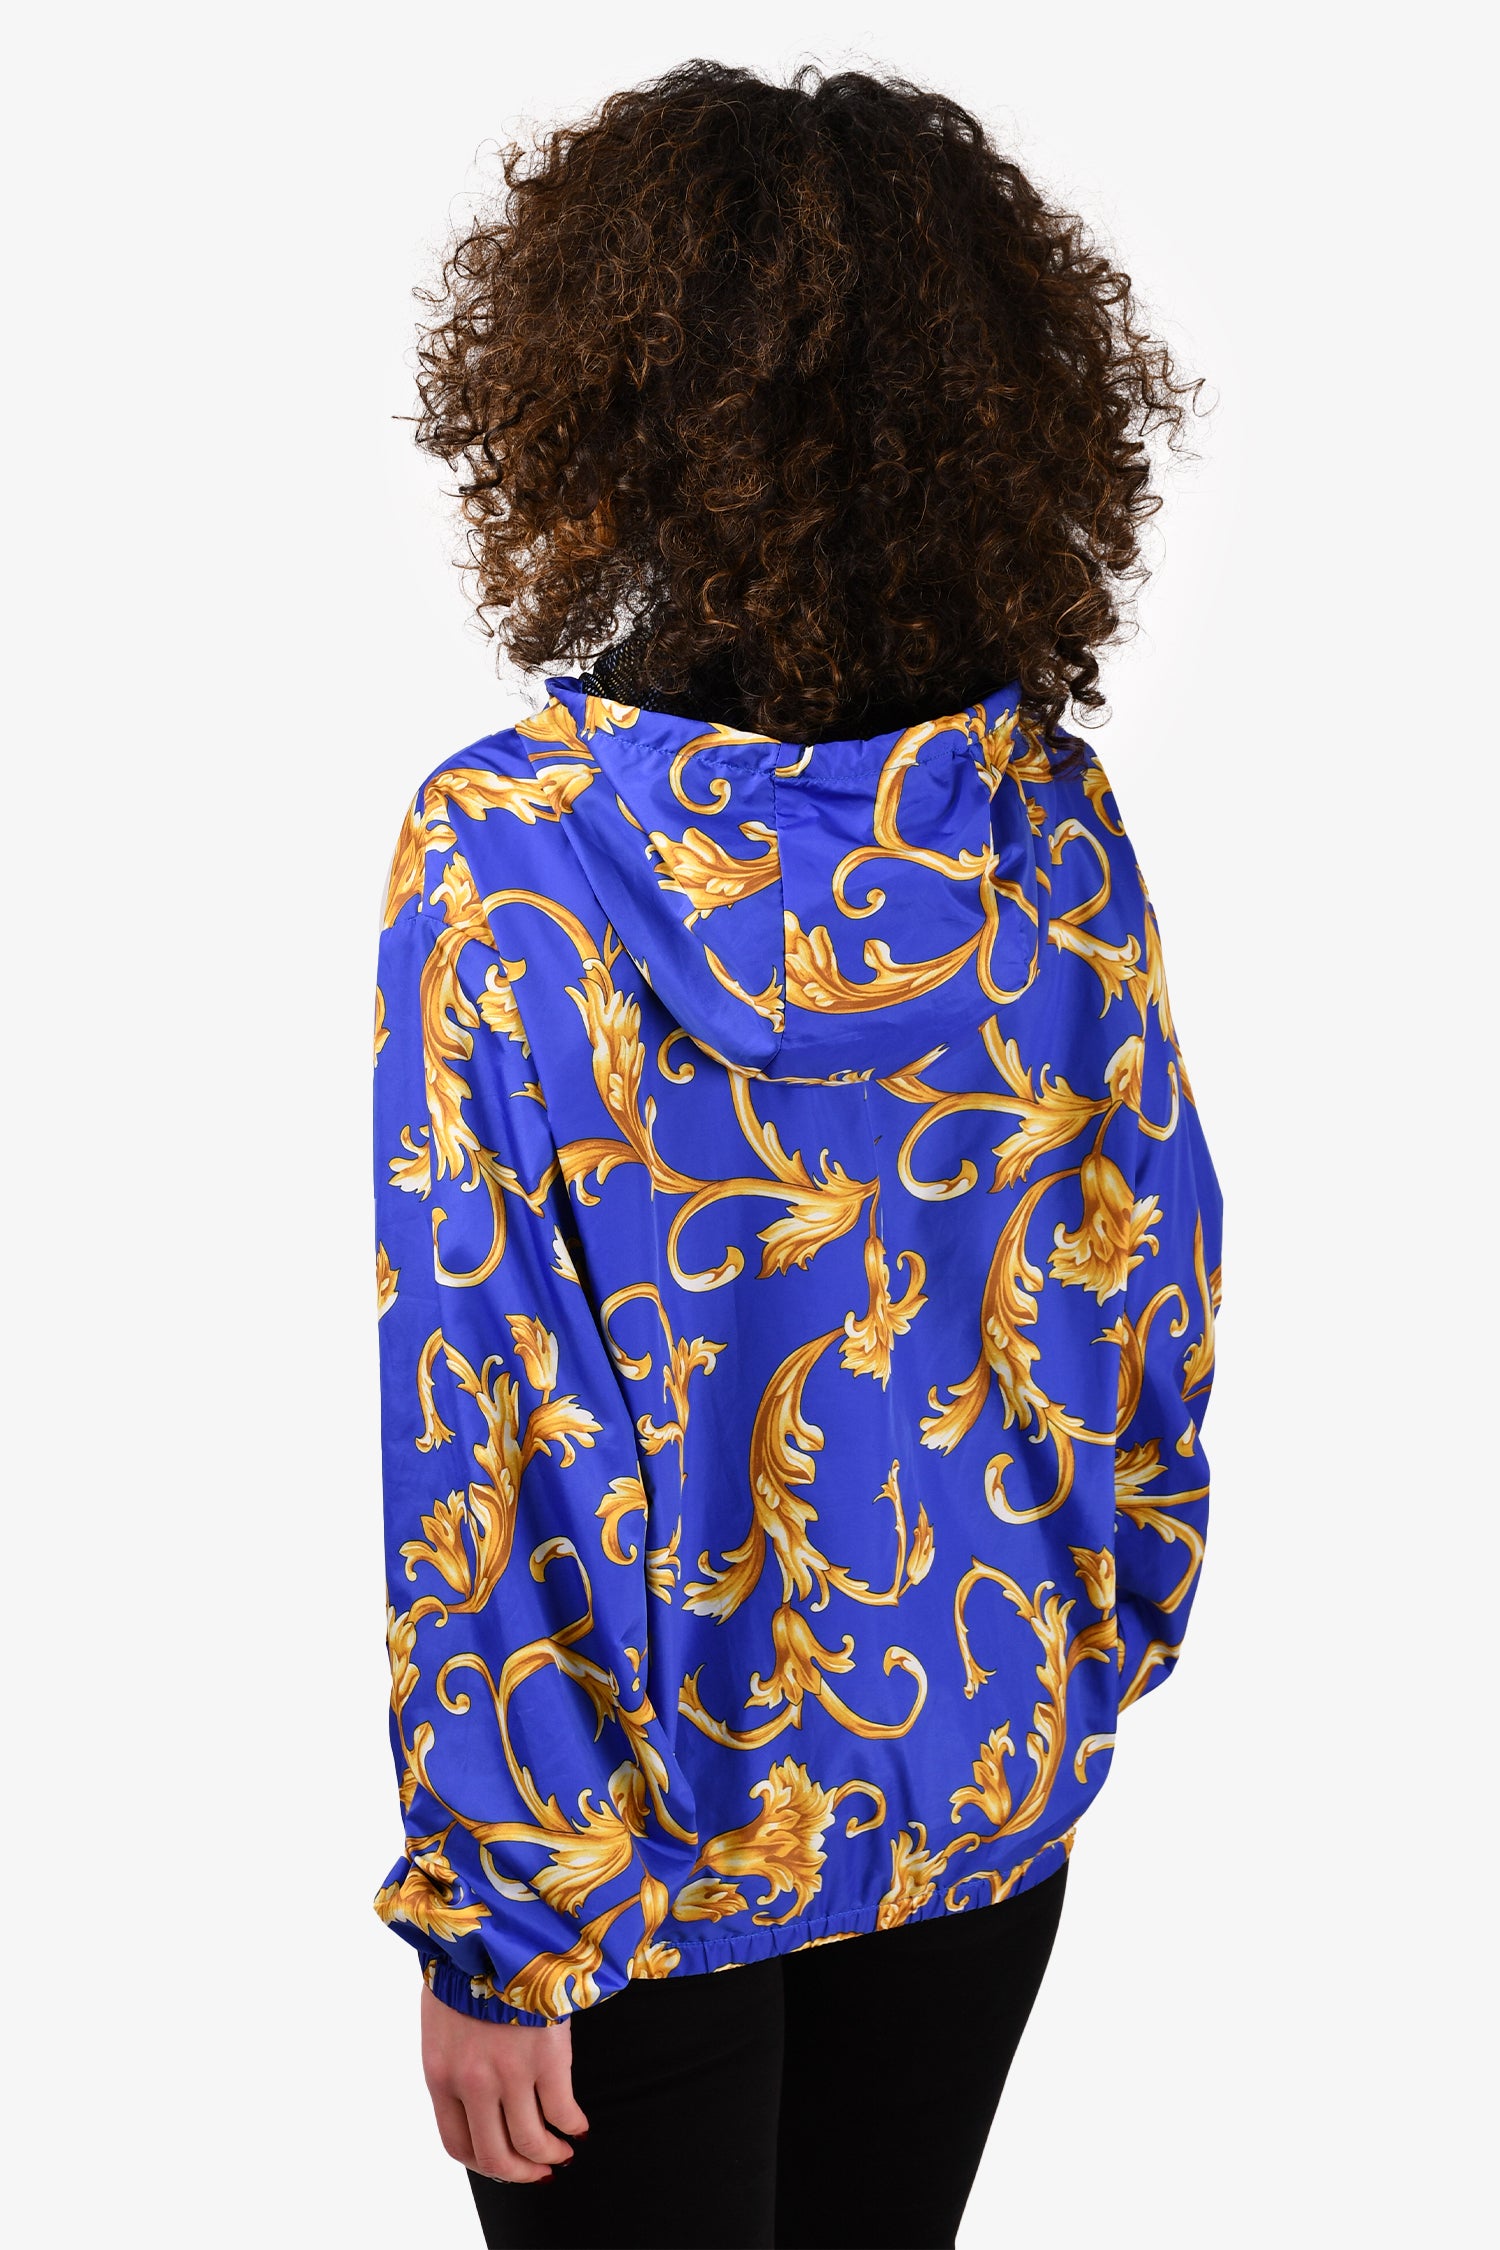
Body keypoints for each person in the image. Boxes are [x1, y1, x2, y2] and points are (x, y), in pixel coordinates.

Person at [371, 60, 1222, 2250]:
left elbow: (492, 1396)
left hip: (643, 1855)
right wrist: (1082, 1647)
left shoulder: (515, 859)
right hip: (978, 1779)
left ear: (599, 404)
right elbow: (1152, 1276)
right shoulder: (1043, 826)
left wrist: (501, 1911)